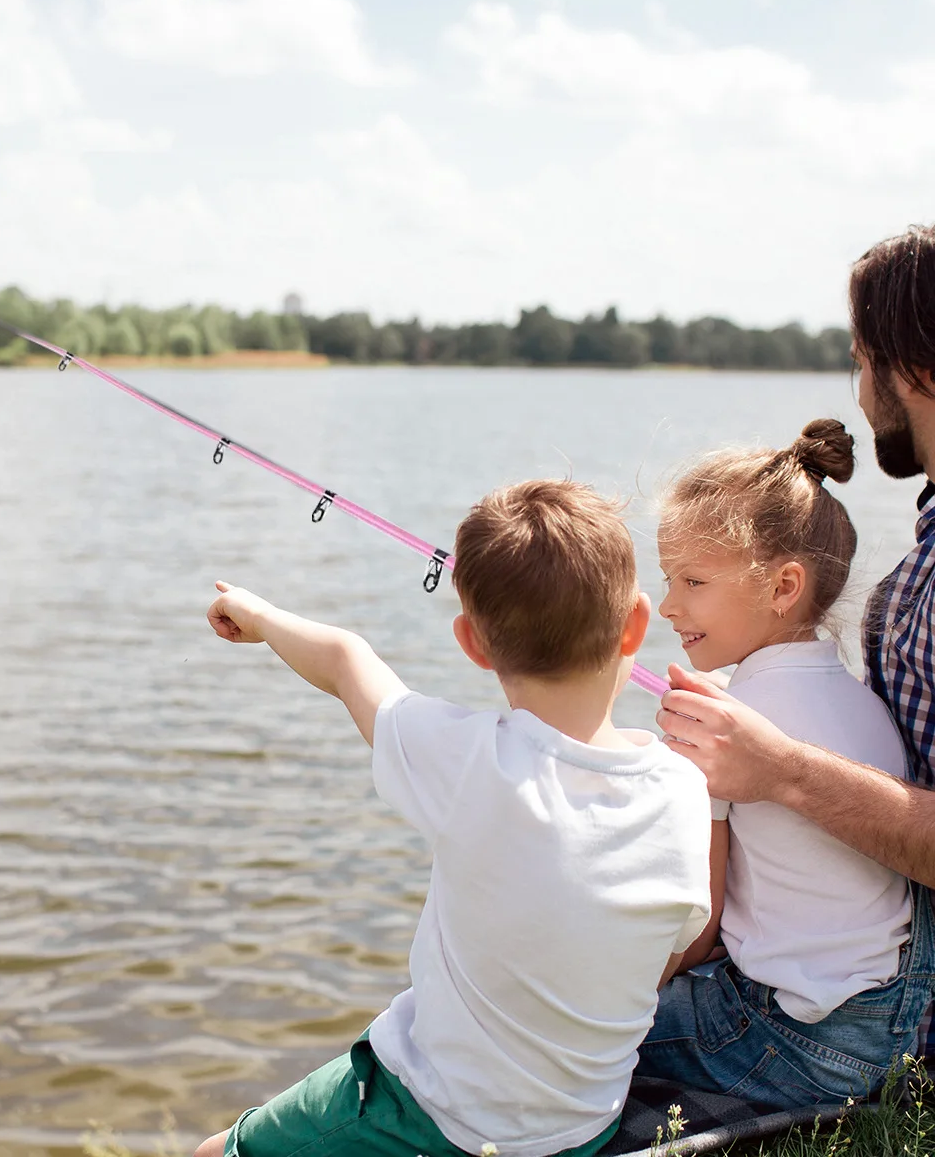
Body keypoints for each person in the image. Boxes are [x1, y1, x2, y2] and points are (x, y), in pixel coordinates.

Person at [194, 480, 712, 1157]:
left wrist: (257, 614)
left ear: (472, 643)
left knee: (215, 1153)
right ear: (636, 625)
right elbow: (673, 950)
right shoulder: (681, 789)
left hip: (432, 1113)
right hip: (582, 1128)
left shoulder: (465, 757)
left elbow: (348, 661)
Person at [654, 225, 935, 1062]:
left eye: (861, 360)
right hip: (887, 985)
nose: (858, 391)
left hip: (838, 1024)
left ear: (915, 368)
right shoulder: (917, 554)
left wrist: (778, 768)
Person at [637, 418, 923, 1106]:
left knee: (574, 1024)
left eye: (694, 581)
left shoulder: (728, 729)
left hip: (798, 1042)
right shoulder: (863, 698)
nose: (670, 606)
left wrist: (632, 988)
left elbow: (698, 932)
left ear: (783, 586)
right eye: (668, 580)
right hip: (895, 1028)